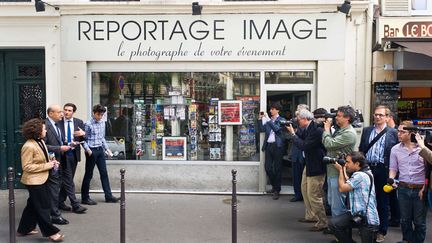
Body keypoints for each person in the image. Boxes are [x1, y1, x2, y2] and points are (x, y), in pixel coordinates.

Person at [17, 118, 65, 242]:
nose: (46, 131)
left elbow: (43, 158)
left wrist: (51, 161)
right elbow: (26, 167)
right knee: (44, 206)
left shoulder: (41, 142)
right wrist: (47, 166)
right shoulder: (28, 146)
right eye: (44, 129)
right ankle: (51, 233)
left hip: (42, 178)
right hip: (34, 181)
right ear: (37, 130)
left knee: (32, 205)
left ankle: (23, 229)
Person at [358, 105, 398, 242]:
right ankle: (368, 227)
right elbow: (362, 149)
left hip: (383, 169)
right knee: (366, 198)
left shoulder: (393, 133)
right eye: (376, 114)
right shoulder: (367, 130)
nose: (378, 117)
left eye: (381, 115)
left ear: (387, 117)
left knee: (382, 201)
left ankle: (382, 230)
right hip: (368, 168)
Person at [389, 121, 432, 243]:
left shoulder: (423, 148)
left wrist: (425, 186)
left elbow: (428, 171)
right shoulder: (395, 149)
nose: (399, 134)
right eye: (398, 131)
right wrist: (391, 179)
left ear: (411, 133)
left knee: (419, 221)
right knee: (405, 220)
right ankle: (407, 240)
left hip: (420, 189)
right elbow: (393, 168)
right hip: (403, 188)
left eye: (402, 132)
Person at [287, 109, 328, 232]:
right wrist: (294, 131)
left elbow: (304, 145)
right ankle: (311, 215)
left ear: (305, 119)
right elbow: (303, 137)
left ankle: (322, 222)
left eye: (298, 119)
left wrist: (293, 134)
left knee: (314, 195)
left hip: (317, 166)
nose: (297, 121)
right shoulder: (309, 128)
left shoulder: (317, 130)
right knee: (304, 189)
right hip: (309, 164)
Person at [328, 151, 380, 243]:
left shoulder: (360, 175)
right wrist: (343, 169)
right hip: (357, 214)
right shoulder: (366, 171)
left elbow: (342, 188)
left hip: (368, 220)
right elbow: (349, 181)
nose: (346, 164)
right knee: (334, 224)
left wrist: (340, 170)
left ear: (357, 163)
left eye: (348, 162)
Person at [322, 106, 357, 217]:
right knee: (332, 202)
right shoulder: (341, 130)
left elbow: (329, 144)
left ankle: (339, 229)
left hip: (339, 173)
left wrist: (327, 129)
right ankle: (336, 227)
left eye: (338, 116)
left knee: (338, 205)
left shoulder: (349, 133)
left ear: (347, 118)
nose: (336, 118)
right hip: (333, 171)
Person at [81, 104, 120, 205]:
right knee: (89, 174)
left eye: (102, 115)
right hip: (91, 151)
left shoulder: (102, 122)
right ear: (94, 113)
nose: (100, 117)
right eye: (98, 114)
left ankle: (108, 196)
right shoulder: (88, 124)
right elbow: (83, 139)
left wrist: (107, 149)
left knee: (104, 173)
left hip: (100, 151)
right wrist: (87, 150)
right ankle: (85, 198)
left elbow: (102, 138)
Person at [57, 103, 87, 213]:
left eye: (69, 110)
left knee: (68, 179)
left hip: (73, 154)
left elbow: (85, 138)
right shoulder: (58, 122)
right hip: (62, 154)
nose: (66, 112)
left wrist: (83, 134)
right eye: (65, 110)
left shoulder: (79, 122)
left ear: (73, 112)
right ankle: (75, 204)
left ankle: (60, 201)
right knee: (68, 179)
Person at [44, 105, 70, 225]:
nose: (62, 114)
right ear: (50, 113)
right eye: (59, 112)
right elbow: (43, 146)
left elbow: (59, 141)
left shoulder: (57, 125)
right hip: (50, 163)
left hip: (59, 161)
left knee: (54, 189)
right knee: (53, 190)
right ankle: (55, 215)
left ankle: (49, 212)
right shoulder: (44, 126)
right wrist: (60, 148)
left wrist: (67, 144)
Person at [258, 102, 286, 200]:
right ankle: (275, 186)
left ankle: (277, 190)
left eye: (273, 109)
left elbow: (277, 130)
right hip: (269, 146)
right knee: (268, 168)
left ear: (277, 110)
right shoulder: (268, 120)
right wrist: (260, 119)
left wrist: (269, 121)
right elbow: (261, 129)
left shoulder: (282, 120)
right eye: (270, 109)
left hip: (278, 146)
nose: (270, 111)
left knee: (277, 169)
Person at [387, 110, 400, 227]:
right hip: (390, 168)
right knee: (390, 194)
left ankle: (396, 218)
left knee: (394, 195)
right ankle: (394, 217)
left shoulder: (396, 132)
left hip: (397, 170)